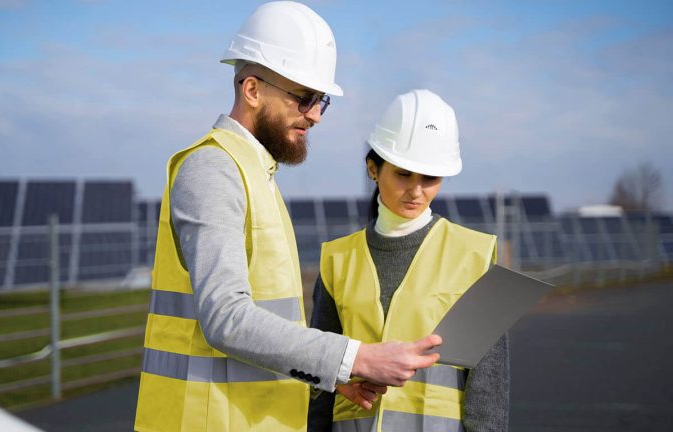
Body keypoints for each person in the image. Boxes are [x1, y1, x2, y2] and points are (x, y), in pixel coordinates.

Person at [134, 3, 443, 432]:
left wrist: (332, 376)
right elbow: (226, 318)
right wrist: (358, 357)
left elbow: (268, 329)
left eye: (322, 101)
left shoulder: (256, 173)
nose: (315, 115)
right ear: (253, 90)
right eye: (304, 98)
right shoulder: (213, 169)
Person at [307, 89, 510, 432]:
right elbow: (319, 381)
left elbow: (488, 391)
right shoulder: (336, 260)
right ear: (373, 169)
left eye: (429, 178)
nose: (416, 191)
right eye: (403, 174)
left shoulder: (474, 256)